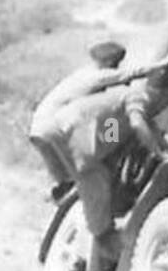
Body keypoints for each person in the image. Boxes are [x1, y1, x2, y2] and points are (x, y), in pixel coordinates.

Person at [38, 69, 168, 271]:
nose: (167, 105)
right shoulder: (139, 96)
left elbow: (151, 134)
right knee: (98, 195)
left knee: (99, 190)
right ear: (162, 92)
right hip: (75, 136)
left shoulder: (127, 100)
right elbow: (138, 125)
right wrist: (159, 154)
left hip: (71, 131)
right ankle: (105, 264)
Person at [28, 41, 131, 201]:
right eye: (116, 62)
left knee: (67, 182)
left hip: (40, 129)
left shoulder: (81, 75)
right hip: (55, 128)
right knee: (90, 175)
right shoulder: (97, 77)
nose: (117, 66)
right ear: (109, 62)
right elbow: (109, 120)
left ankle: (61, 198)